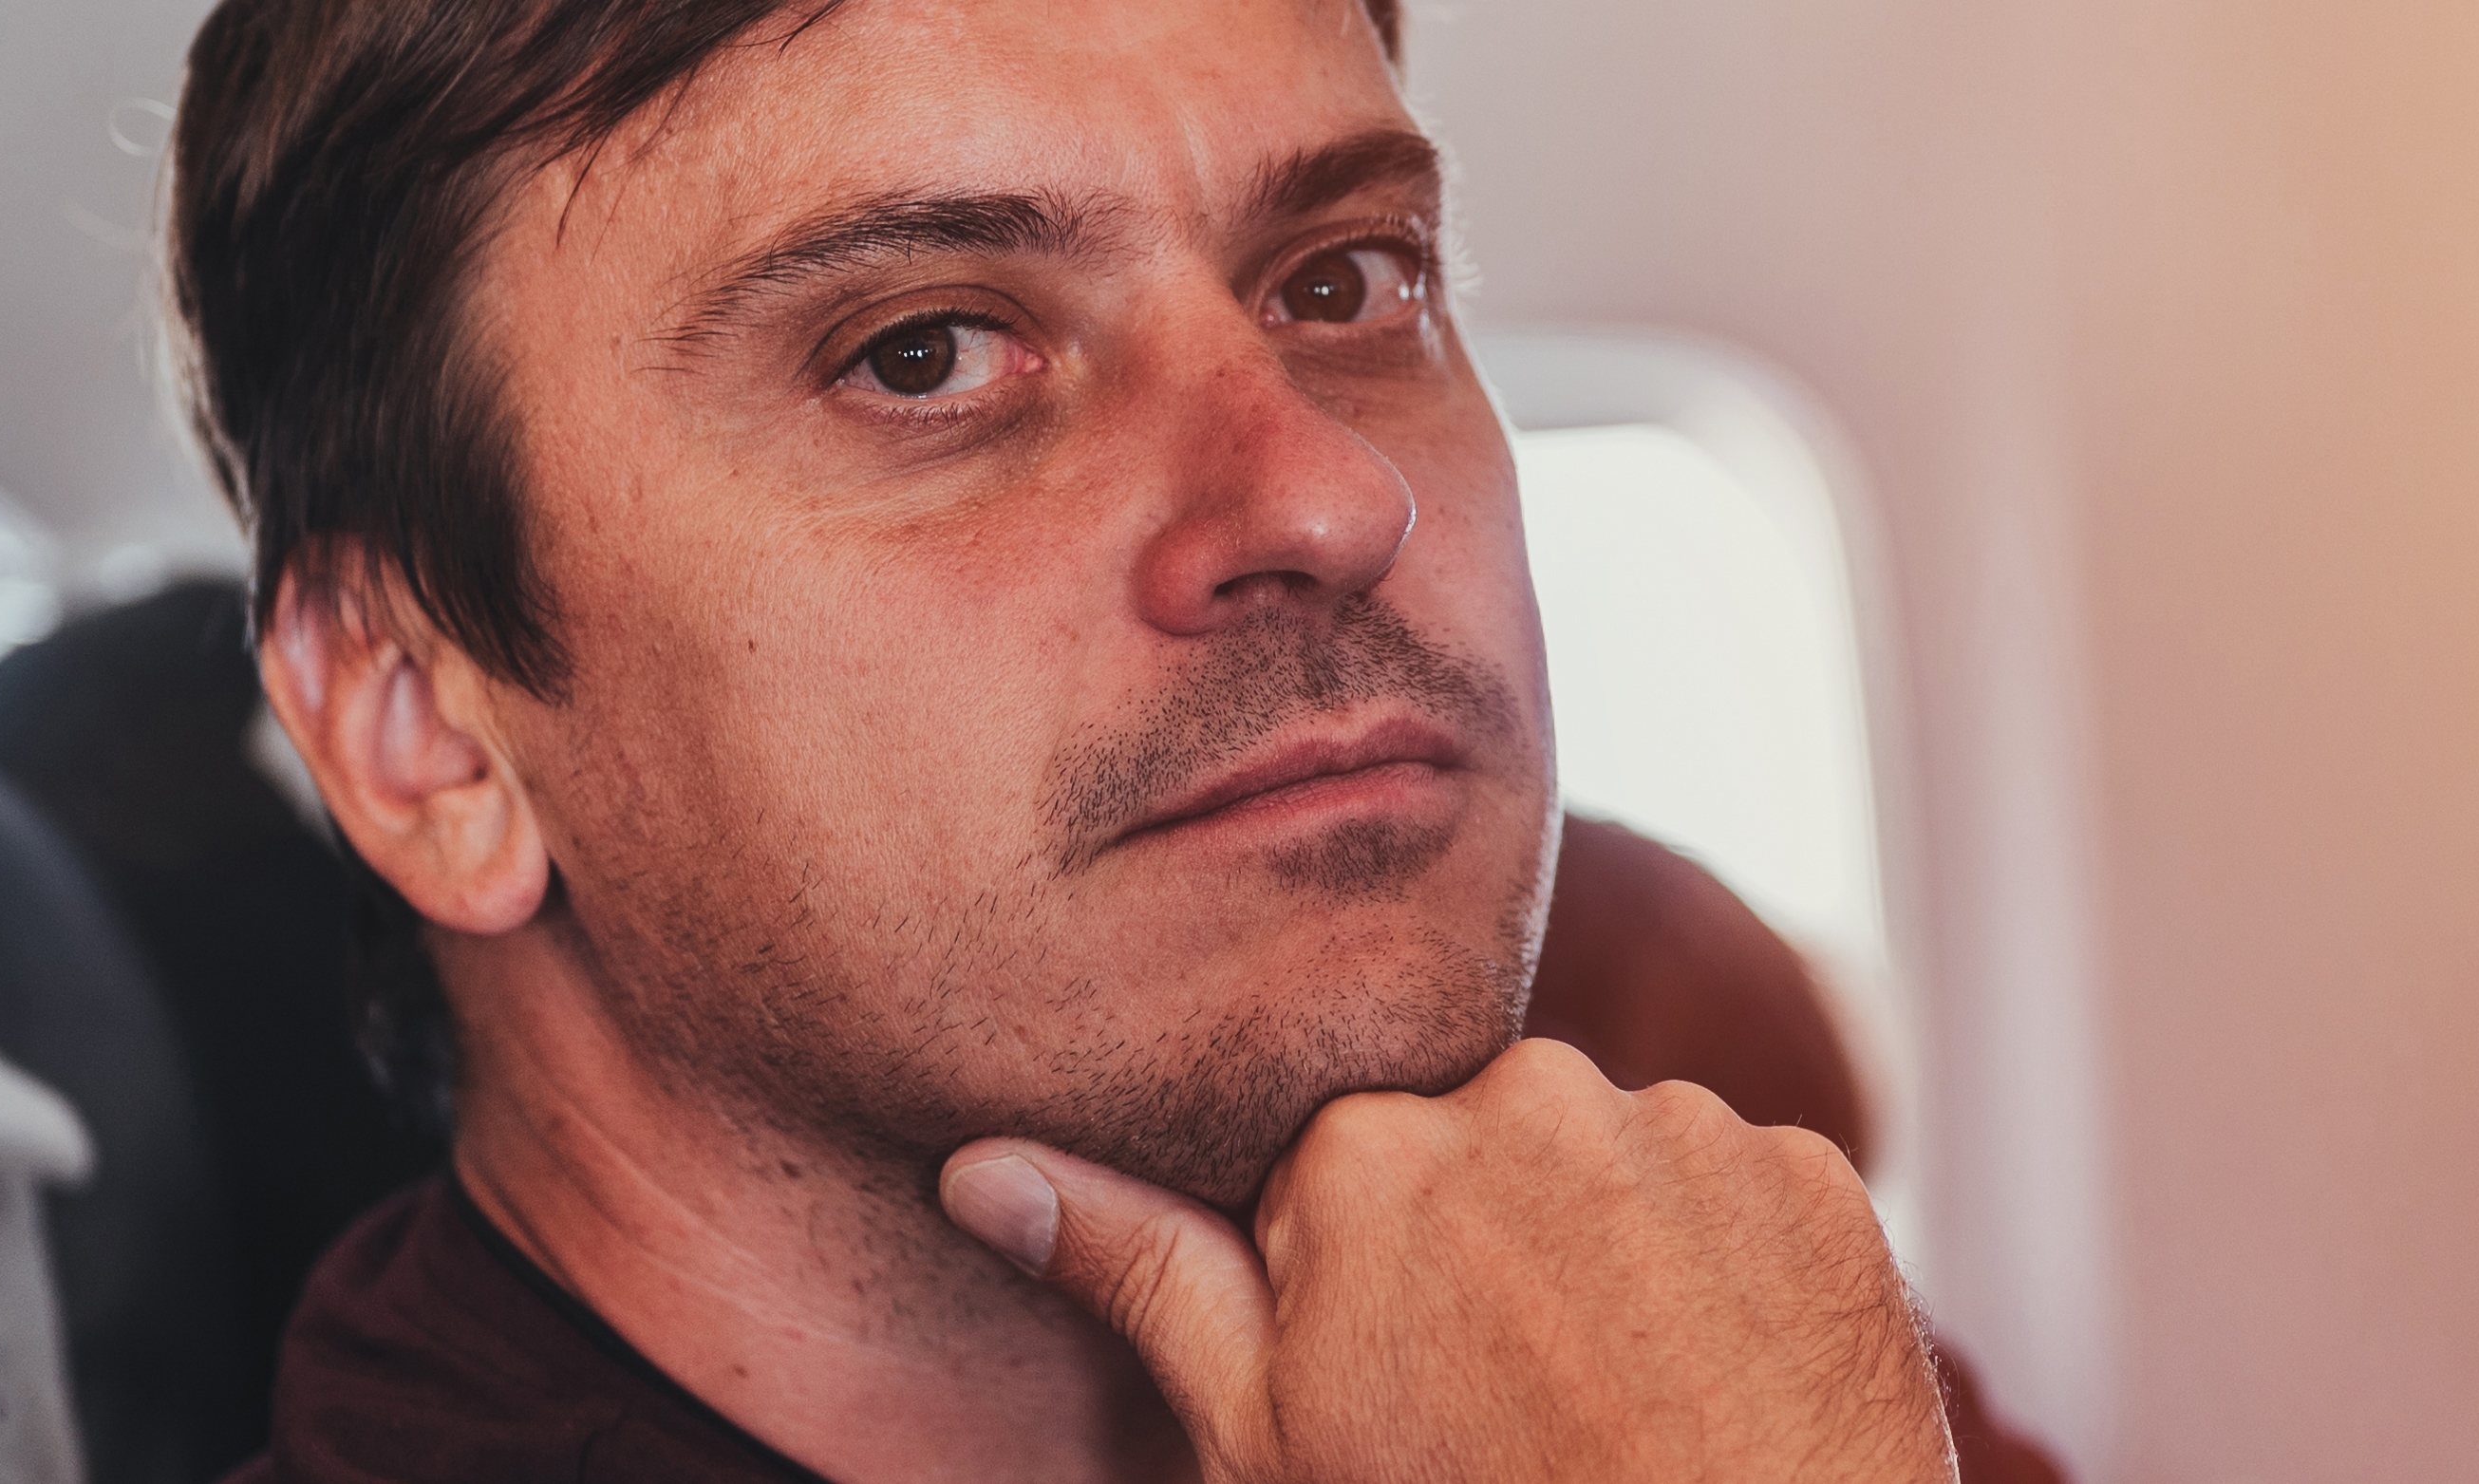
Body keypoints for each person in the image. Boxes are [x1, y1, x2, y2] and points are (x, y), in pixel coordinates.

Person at [176, 0, 1960, 1477]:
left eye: (1345, 283)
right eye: (925, 355)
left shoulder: (1665, 1362)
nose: (1334, 498)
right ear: (427, 737)